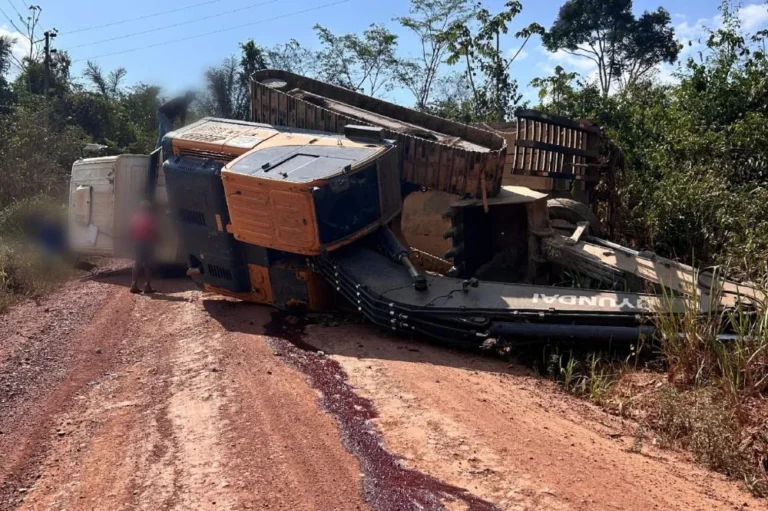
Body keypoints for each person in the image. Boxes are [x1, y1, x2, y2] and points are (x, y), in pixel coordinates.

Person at [129, 200, 157, 294]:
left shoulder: (135, 218)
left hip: (137, 243)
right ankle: (147, 286)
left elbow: (131, 231)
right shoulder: (150, 218)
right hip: (147, 244)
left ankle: (133, 285)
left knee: (137, 263)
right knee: (148, 265)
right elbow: (153, 231)